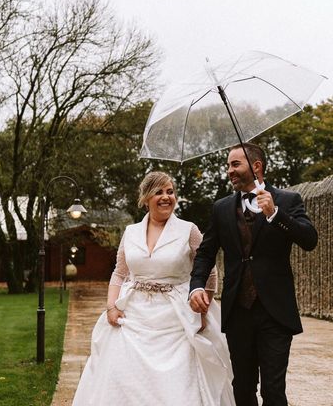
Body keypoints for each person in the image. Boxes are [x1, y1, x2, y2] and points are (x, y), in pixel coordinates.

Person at [73, 171, 235, 406]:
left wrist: (202, 308)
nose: (166, 197)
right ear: (146, 198)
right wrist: (111, 307)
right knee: (123, 376)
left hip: (178, 316)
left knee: (177, 383)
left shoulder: (188, 230)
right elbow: (120, 273)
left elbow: (209, 270)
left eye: (170, 192)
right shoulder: (130, 232)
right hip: (134, 315)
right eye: (159, 192)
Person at [189, 143, 318, 406]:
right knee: (243, 386)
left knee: (273, 389)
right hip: (238, 311)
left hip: (275, 312)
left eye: (235, 164)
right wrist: (196, 286)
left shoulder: (287, 200)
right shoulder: (221, 208)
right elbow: (205, 253)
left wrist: (275, 214)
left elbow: (309, 240)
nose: (229, 171)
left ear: (256, 166)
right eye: (228, 165)